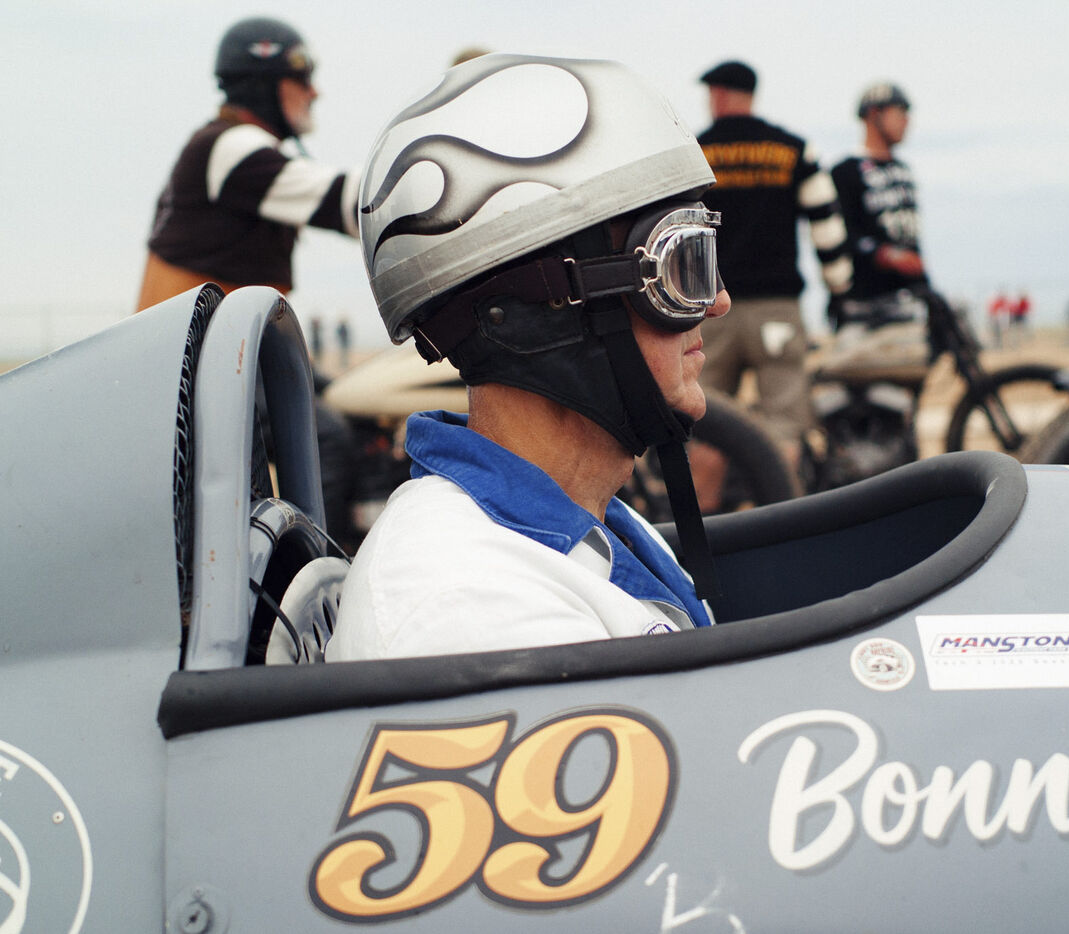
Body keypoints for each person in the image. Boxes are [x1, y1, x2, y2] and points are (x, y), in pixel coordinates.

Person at [327, 54, 731, 660]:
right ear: (538, 317)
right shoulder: (473, 604)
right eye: (681, 266)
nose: (719, 302)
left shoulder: (596, 527)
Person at [135, 16, 359, 311]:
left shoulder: (222, 145)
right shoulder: (232, 148)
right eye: (302, 78)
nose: (314, 92)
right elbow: (351, 203)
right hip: (189, 342)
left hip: (205, 339)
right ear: (264, 85)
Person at [695, 60, 851, 459]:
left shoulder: (696, 153)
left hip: (712, 308)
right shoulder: (793, 149)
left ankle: (704, 502)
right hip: (777, 309)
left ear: (719, 94)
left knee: (705, 423)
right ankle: (783, 499)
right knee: (784, 424)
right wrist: (839, 287)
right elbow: (827, 227)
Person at [830, 83, 937, 333]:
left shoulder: (903, 171)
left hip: (910, 300)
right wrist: (886, 255)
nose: (907, 121)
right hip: (862, 305)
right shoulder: (845, 171)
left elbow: (910, 238)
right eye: (900, 112)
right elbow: (840, 233)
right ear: (874, 114)